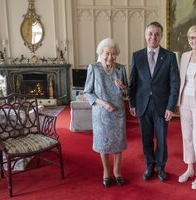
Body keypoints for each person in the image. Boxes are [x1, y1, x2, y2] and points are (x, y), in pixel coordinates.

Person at [129, 21, 180, 182]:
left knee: (162, 138)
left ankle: (161, 167)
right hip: (143, 105)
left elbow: (174, 83)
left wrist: (171, 107)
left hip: (162, 106)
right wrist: (132, 103)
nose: (153, 37)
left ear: (161, 36)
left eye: (157, 34)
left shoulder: (170, 56)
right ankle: (150, 166)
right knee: (146, 138)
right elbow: (133, 82)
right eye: (150, 33)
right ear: (145, 36)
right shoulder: (137, 56)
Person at [84, 38, 128, 187]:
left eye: (114, 54)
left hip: (118, 113)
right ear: (100, 53)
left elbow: (127, 94)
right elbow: (87, 92)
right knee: (103, 143)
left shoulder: (121, 69)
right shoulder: (93, 68)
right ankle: (106, 171)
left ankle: (117, 171)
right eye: (107, 53)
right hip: (101, 114)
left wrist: (122, 87)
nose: (110, 57)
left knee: (118, 144)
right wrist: (103, 103)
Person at [178, 25, 196, 190]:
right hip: (184, 101)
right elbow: (181, 80)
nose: (193, 41)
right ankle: (189, 168)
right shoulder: (184, 56)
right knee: (187, 136)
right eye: (191, 38)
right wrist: (177, 102)